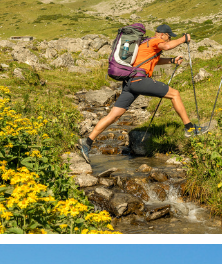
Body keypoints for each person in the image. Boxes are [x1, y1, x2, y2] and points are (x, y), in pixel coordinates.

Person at [80, 24, 204, 163]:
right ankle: (190, 128)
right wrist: (183, 38)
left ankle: (87, 142)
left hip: (129, 83)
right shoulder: (156, 41)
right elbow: (167, 47)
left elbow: (153, 61)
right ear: (162, 35)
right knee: (175, 94)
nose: (168, 40)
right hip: (139, 80)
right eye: (169, 37)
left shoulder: (144, 43)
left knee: (113, 116)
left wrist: (171, 60)